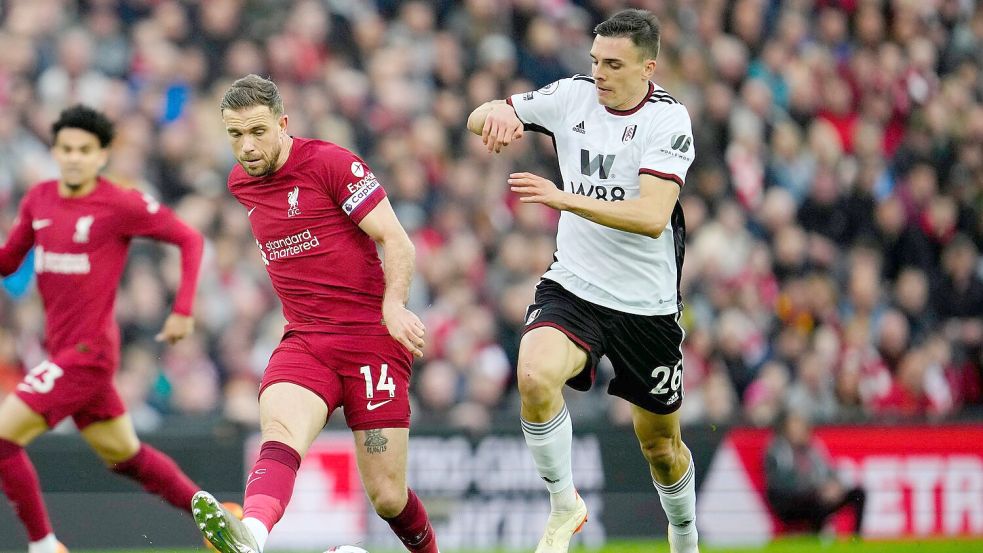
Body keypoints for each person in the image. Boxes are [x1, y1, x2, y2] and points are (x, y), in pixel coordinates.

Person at [467, 9, 699, 553]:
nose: (599, 73)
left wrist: (562, 197)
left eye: (614, 65)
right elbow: (480, 115)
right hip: (574, 286)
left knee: (660, 446)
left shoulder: (669, 120)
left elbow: (651, 217)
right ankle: (565, 504)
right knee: (534, 374)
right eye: (595, 60)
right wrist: (495, 115)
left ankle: (684, 536)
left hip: (647, 305)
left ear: (648, 68)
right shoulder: (572, 96)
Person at [192, 74, 438, 553]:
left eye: (257, 132)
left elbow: (396, 239)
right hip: (306, 341)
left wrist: (393, 305)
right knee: (279, 432)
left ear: (283, 124)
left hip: (371, 340)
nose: (246, 146)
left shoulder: (330, 164)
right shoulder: (240, 183)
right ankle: (252, 536)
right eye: (235, 135)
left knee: (387, 498)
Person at [0, 105, 207, 553]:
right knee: (126, 457)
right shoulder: (38, 200)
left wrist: (182, 309)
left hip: (87, 354)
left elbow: (189, 238)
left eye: (84, 150)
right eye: (66, 149)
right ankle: (214, 514)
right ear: (55, 151)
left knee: (1, 438)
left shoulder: (119, 203)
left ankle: (43, 545)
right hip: (64, 356)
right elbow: (7, 262)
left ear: (101, 156)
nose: (74, 157)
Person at [765, 409, 866, 535]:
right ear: (786, 430)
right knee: (815, 503)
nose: (798, 432)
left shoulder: (813, 448)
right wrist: (819, 489)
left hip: (818, 496)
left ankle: (856, 539)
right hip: (789, 500)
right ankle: (817, 537)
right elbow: (782, 482)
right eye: (794, 428)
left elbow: (829, 470)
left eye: (801, 427)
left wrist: (836, 486)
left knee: (858, 493)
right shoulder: (779, 449)